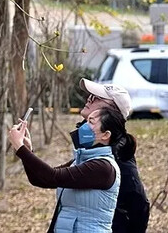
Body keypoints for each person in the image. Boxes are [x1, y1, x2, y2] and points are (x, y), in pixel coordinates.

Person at [9, 107, 124, 233]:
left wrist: (20, 148)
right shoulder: (80, 161)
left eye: (91, 122)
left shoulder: (103, 168)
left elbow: (52, 176)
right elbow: (40, 180)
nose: (84, 126)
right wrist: (27, 149)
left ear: (105, 135)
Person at [80, 79, 150, 233]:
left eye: (96, 98)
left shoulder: (116, 154)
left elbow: (140, 205)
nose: (89, 99)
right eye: (90, 95)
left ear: (111, 111)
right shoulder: (89, 143)